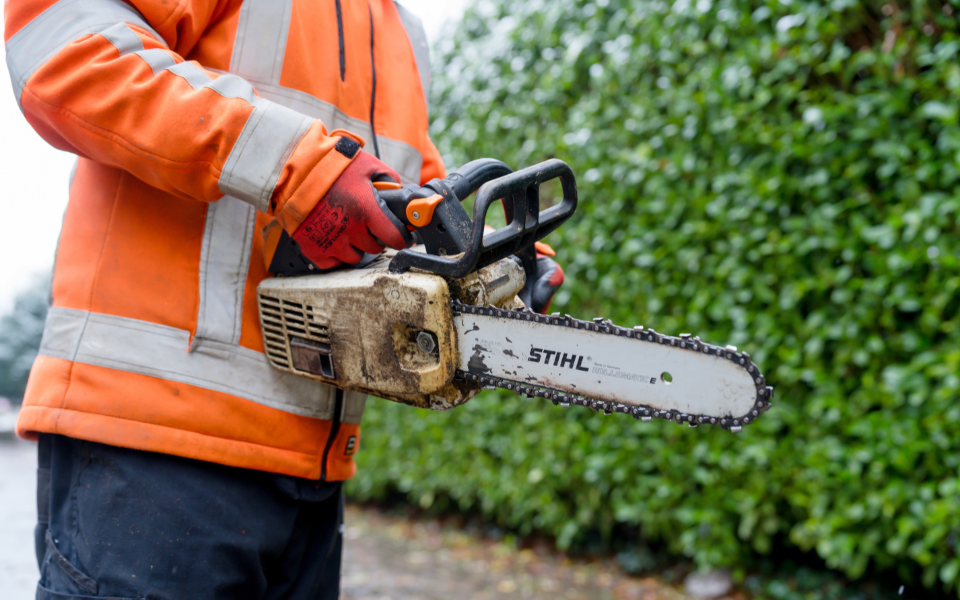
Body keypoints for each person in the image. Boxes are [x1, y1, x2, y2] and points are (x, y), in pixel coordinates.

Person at [4, 1, 563, 597]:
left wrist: (484, 256)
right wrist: (294, 165)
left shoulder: (400, 27)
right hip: (151, 444)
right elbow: (67, 51)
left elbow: (403, 194)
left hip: (314, 467)